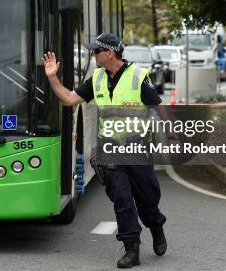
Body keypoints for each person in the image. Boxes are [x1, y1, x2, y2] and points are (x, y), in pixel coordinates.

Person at [43, 33, 167, 269]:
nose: (93, 55)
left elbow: (157, 106)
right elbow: (69, 99)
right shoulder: (96, 78)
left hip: (137, 148)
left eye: (96, 51)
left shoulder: (138, 77)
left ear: (110, 52)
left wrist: (171, 134)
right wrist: (53, 78)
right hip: (110, 148)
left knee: (147, 198)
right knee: (121, 199)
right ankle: (132, 249)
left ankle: (156, 226)